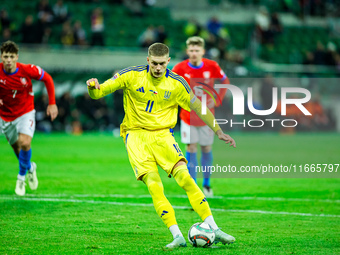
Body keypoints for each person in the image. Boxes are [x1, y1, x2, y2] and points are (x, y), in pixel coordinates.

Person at [86, 43, 236, 249]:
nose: (158, 68)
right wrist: (92, 87)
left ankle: (214, 228)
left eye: (161, 64)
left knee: (186, 179)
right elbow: (99, 92)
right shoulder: (130, 75)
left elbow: (199, 107)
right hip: (136, 138)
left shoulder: (177, 83)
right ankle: (177, 235)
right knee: (155, 186)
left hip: (164, 137)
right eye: (154, 64)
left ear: (168, 62)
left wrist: (218, 131)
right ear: (148, 61)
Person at [172, 36, 229, 197]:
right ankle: (195, 188)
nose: (194, 53)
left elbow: (225, 81)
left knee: (206, 148)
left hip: (206, 117)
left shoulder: (212, 66)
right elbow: (169, 84)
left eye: (197, 50)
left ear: (203, 51)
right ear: (187, 51)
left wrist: (216, 99)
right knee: (190, 148)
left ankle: (207, 184)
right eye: (191, 50)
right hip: (187, 117)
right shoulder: (180, 68)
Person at [0, 41, 58, 196]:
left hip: (26, 112)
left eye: (12, 56)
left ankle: (21, 178)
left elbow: (48, 79)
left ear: (16, 57)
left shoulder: (26, 70)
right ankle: (30, 168)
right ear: (1, 57)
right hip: (5, 116)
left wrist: (52, 103)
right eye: (6, 56)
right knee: (17, 149)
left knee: (25, 143)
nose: (9, 60)